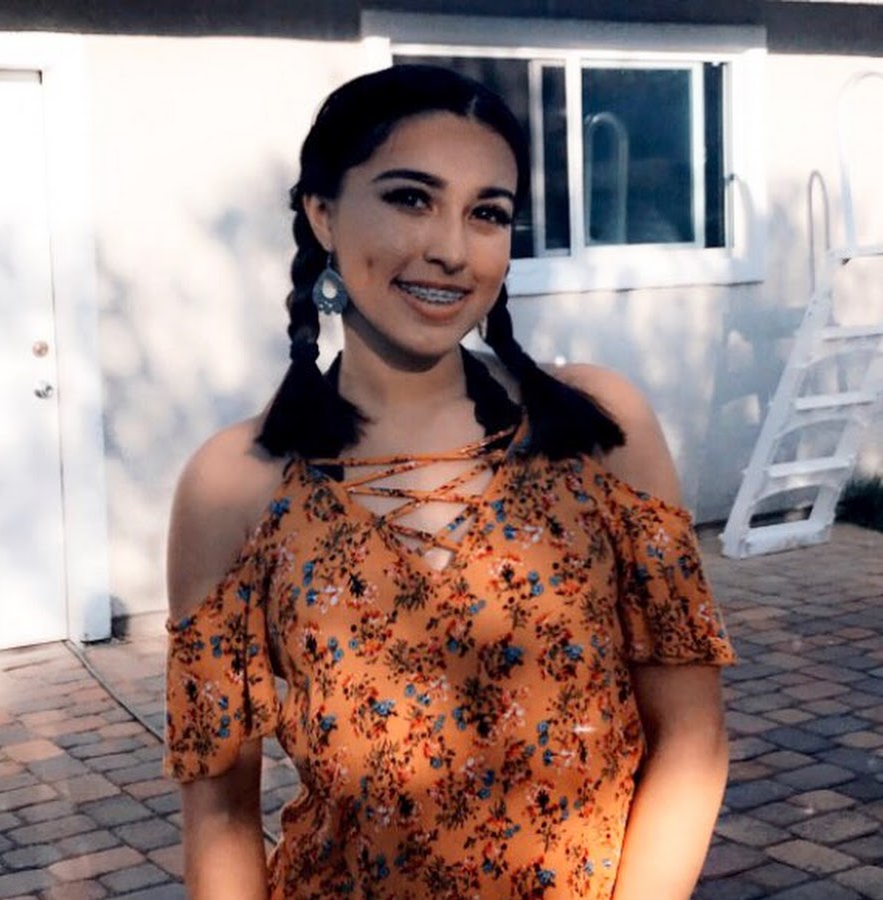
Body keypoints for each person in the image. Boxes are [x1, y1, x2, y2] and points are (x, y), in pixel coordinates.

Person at [164, 64, 735, 900]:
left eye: (487, 213)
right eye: (411, 198)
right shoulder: (234, 486)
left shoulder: (597, 433)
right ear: (322, 214)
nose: (452, 249)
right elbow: (219, 817)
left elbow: (692, 740)